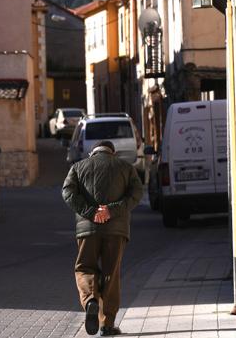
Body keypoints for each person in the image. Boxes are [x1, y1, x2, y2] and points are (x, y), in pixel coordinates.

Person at [62, 140, 143, 336]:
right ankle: (107, 324)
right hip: (116, 230)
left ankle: (90, 300)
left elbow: (68, 192)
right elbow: (137, 193)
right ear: (112, 153)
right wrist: (112, 210)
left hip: (87, 229)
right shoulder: (125, 167)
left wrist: (91, 212)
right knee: (111, 273)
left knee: (85, 267)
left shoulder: (78, 167)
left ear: (93, 152)